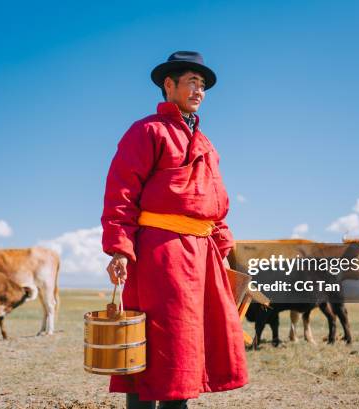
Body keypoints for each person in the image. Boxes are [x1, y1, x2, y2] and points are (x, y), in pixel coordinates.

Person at [101, 51, 248, 409]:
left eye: (203, 85)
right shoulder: (147, 131)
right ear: (170, 86)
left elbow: (216, 204)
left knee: (190, 344)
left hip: (202, 255)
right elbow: (121, 192)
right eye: (191, 82)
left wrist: (225, 252)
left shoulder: (208, 145)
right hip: (160, 253)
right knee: (158, 341)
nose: (199, 91)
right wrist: (120, 247)